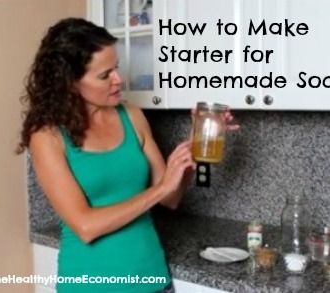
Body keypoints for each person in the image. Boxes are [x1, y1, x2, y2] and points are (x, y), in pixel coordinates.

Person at [17, 18, 239, 293]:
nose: (118, 79)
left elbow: (171, 198)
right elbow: (86, 226)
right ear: (70, 83)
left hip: (152, 278)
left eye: (116, 68)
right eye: (104, 75)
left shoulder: (131, 116)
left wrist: (197, 144)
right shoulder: (47, 136)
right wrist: (159, 190)